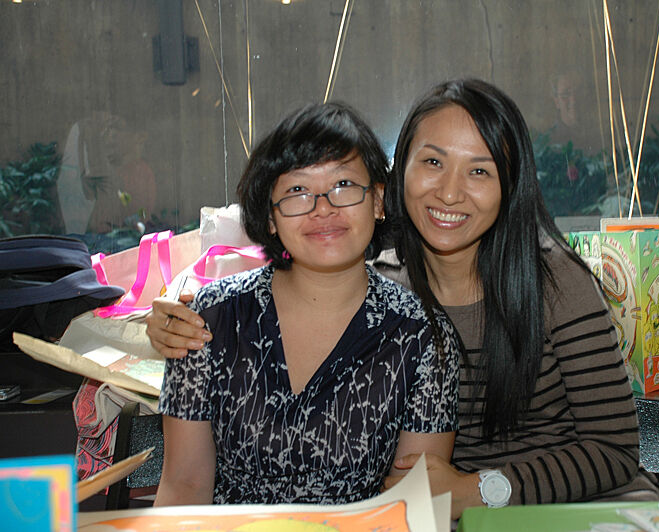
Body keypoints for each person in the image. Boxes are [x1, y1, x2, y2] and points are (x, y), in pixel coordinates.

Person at [147, 79, 659, 517]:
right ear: (398, 177)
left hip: (585, 509)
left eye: (479, 171)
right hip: (456, 515)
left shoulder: (553, 281)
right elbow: (291, 283)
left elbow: (615, 451)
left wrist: (475, 489)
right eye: (433, 162)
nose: (449, 192)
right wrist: (167, 324)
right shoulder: (384, 282)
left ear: (510, 185)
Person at [152, 102, 460, 507]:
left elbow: (414, 504)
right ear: (271, 216)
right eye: (297, 191)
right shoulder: (210, 319)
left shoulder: (423, 338)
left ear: (379, 201)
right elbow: (184, 487)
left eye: (344, 185)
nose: (323, 208)